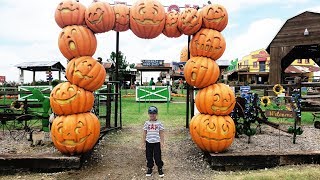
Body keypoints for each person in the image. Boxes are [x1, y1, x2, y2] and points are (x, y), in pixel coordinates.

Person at [142, 106, 164, 177]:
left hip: (156, 142)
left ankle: (159, 168)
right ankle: (150, 168)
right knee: (149, 156)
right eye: (151, 114)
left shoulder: (159, 123)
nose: (152, 115)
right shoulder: (146, 123)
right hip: (148, 142)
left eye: (154, 114)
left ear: (156, 114)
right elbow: (144, 132)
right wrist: (143, 142)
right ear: (149, 114)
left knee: (157, 156)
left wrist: (162, 142)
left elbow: (161, 133)